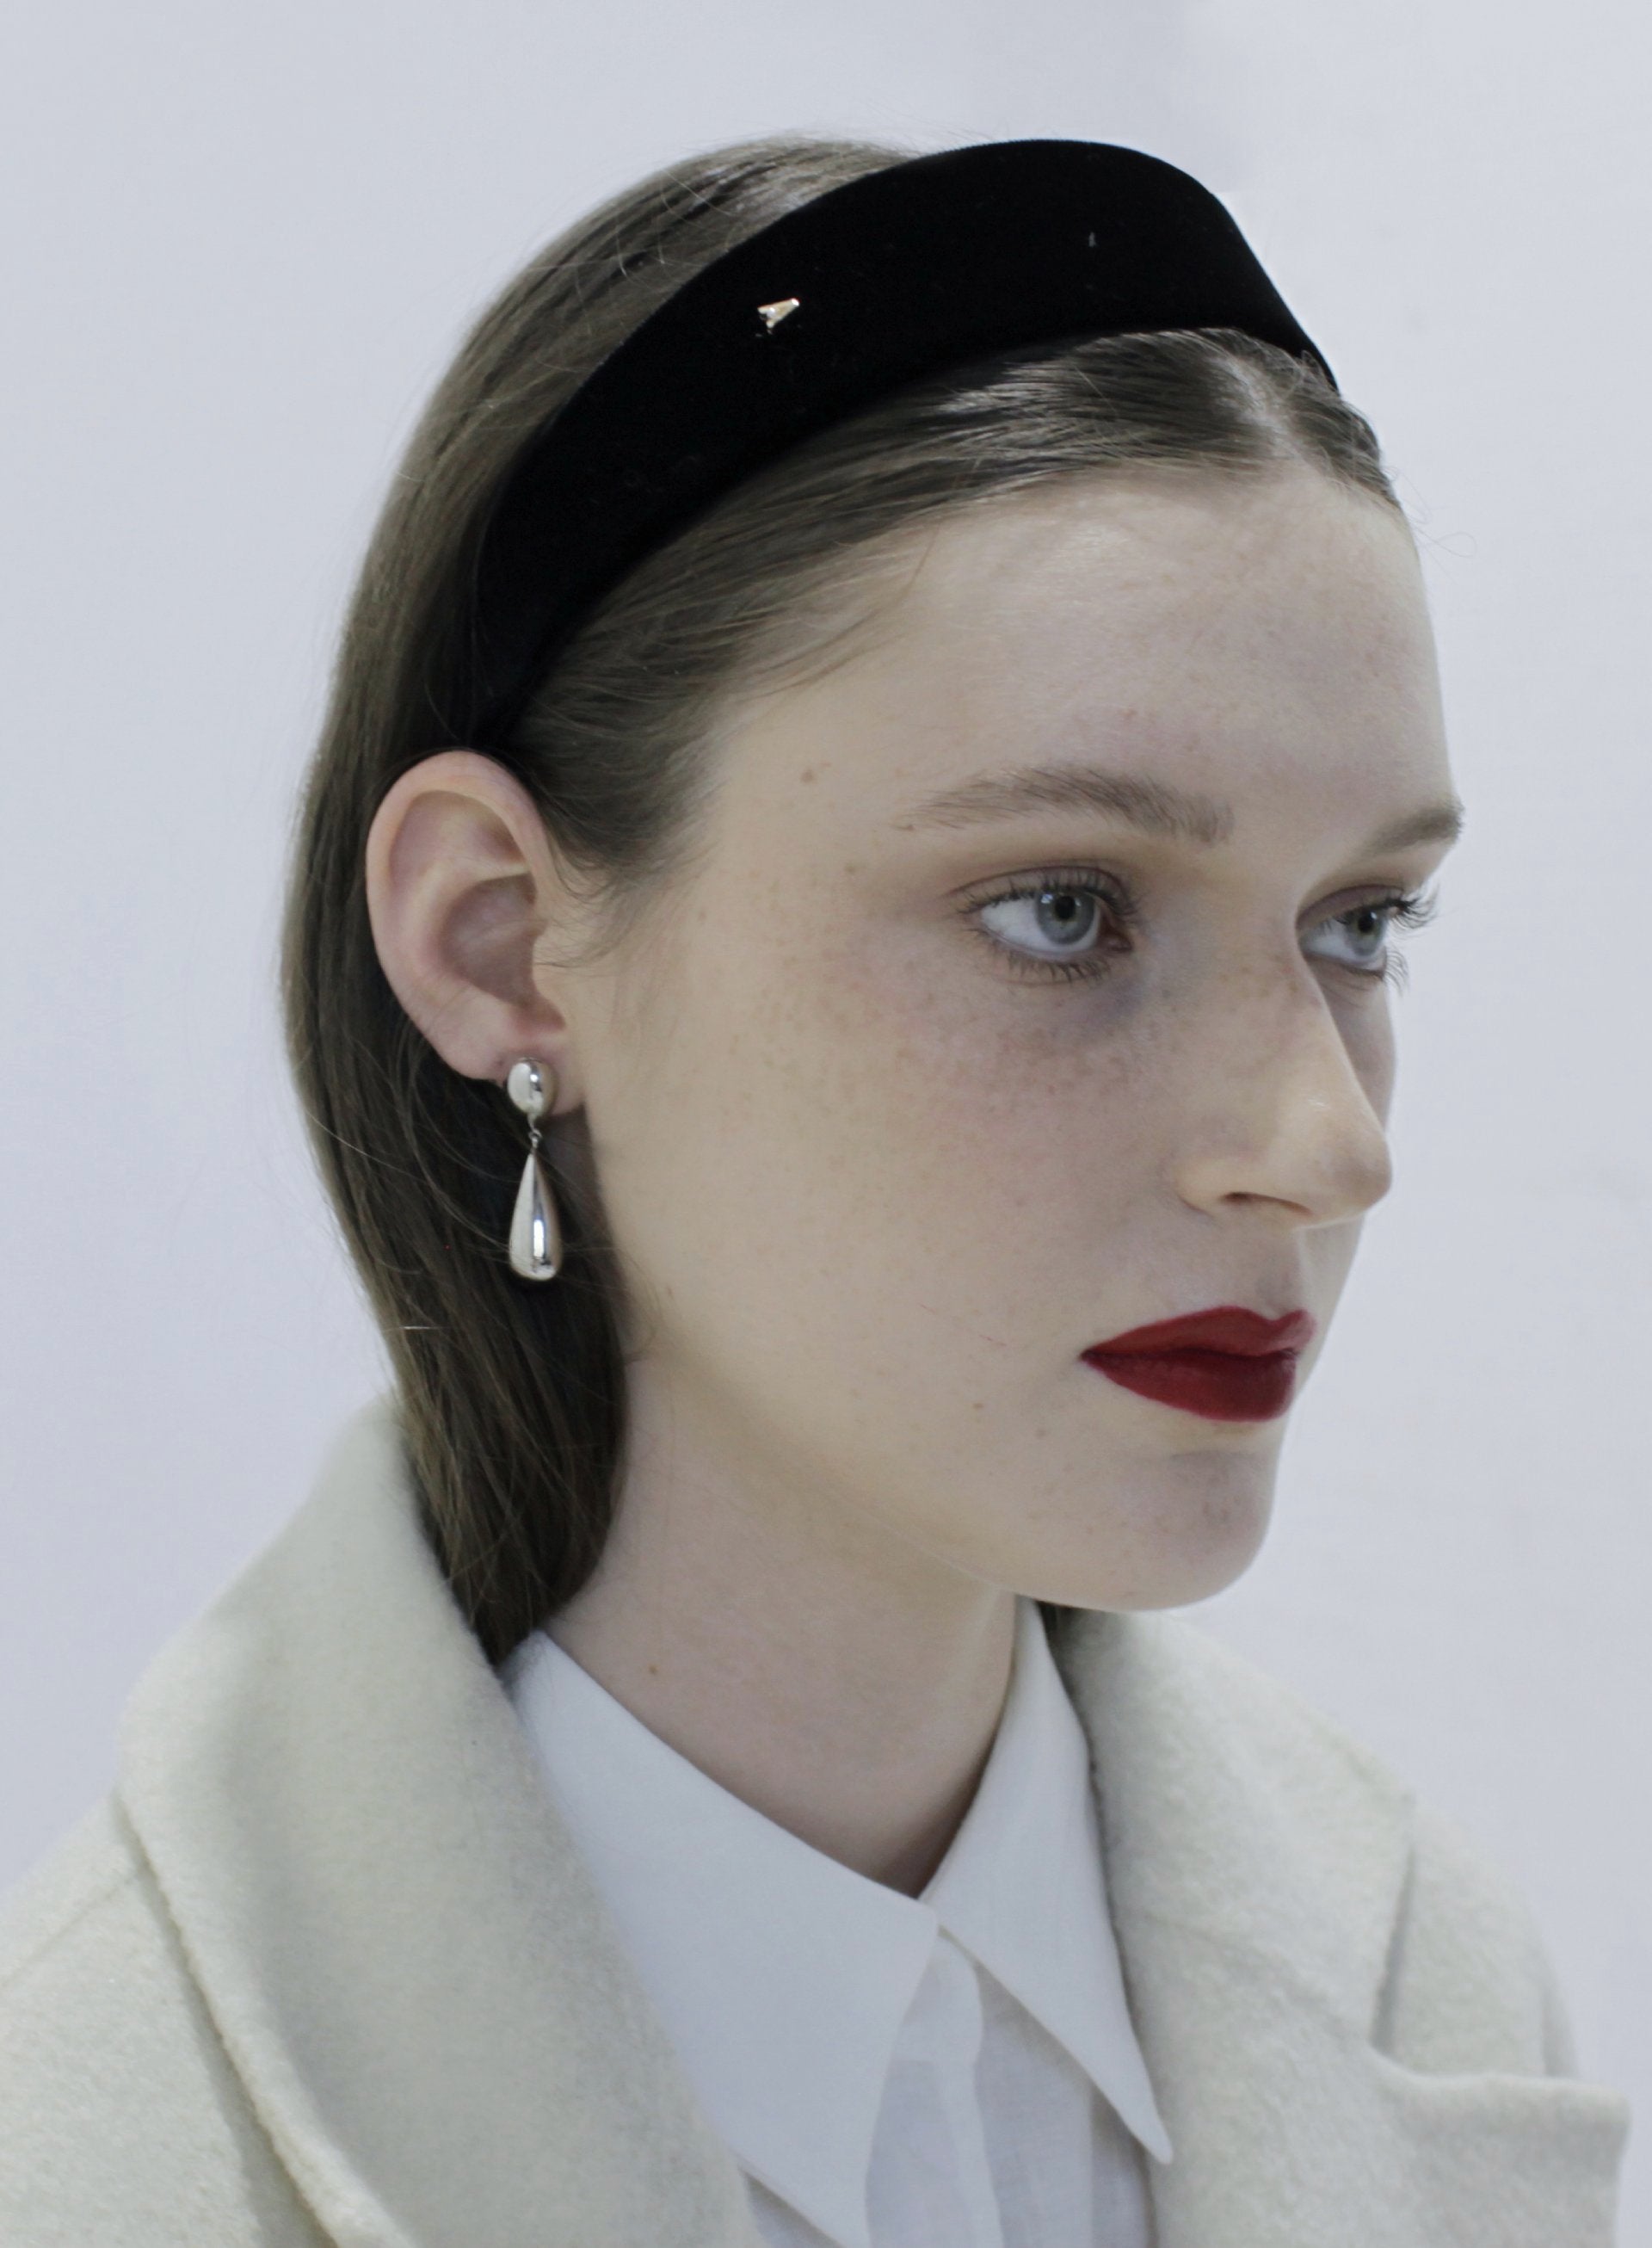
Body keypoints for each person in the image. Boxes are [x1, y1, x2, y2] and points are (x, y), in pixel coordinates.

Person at [0, 134, 1630, 2247]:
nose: (1328, 1144)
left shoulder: (1436, 1976)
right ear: (500, 938)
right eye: (1063, 909)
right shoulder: (90, 2157)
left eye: (1364, 923)